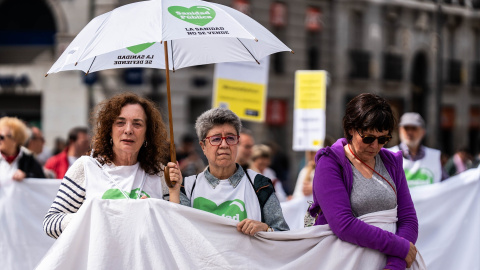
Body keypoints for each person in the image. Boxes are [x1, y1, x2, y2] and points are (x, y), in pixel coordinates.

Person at [308, 93, 418, 269]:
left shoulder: (391, 162)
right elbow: (343, 225)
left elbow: (408, 218)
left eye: (383, 139)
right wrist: (400, 247)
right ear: (351, 129)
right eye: (368, 138)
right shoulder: (330, 163)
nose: (375, 146)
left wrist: (395, 264)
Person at [43, 93, 170, 238]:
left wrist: (156, 211)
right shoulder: (87, 167)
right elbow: (50, 224)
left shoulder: (159, 173)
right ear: (110, 130)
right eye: (120, 122)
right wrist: (97, 216)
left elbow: (174, 229)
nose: (128, 130)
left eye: (137, 124)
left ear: (147, 133)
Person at [167, 108, 289, 236]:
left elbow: (283, 233)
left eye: (230, 138)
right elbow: (177, 235)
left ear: (237, 143)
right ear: (203, 146)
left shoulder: (259, 184)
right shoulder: (186, 187)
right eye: (216, 139)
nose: (224, 144)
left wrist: (265, 228)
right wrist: (173, 192)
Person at [388, 112, 445, 187]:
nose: (409, 132)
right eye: (406, 128)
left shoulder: (434, 156)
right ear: (400, 131)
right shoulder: (389, 155)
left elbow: (446, 186)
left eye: (414, 128)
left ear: (423, 132)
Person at [0, 117, 45, 183]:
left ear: (15, 139)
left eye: (1, 137)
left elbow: (42, 181)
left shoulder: (29, 160)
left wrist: (26, 176)